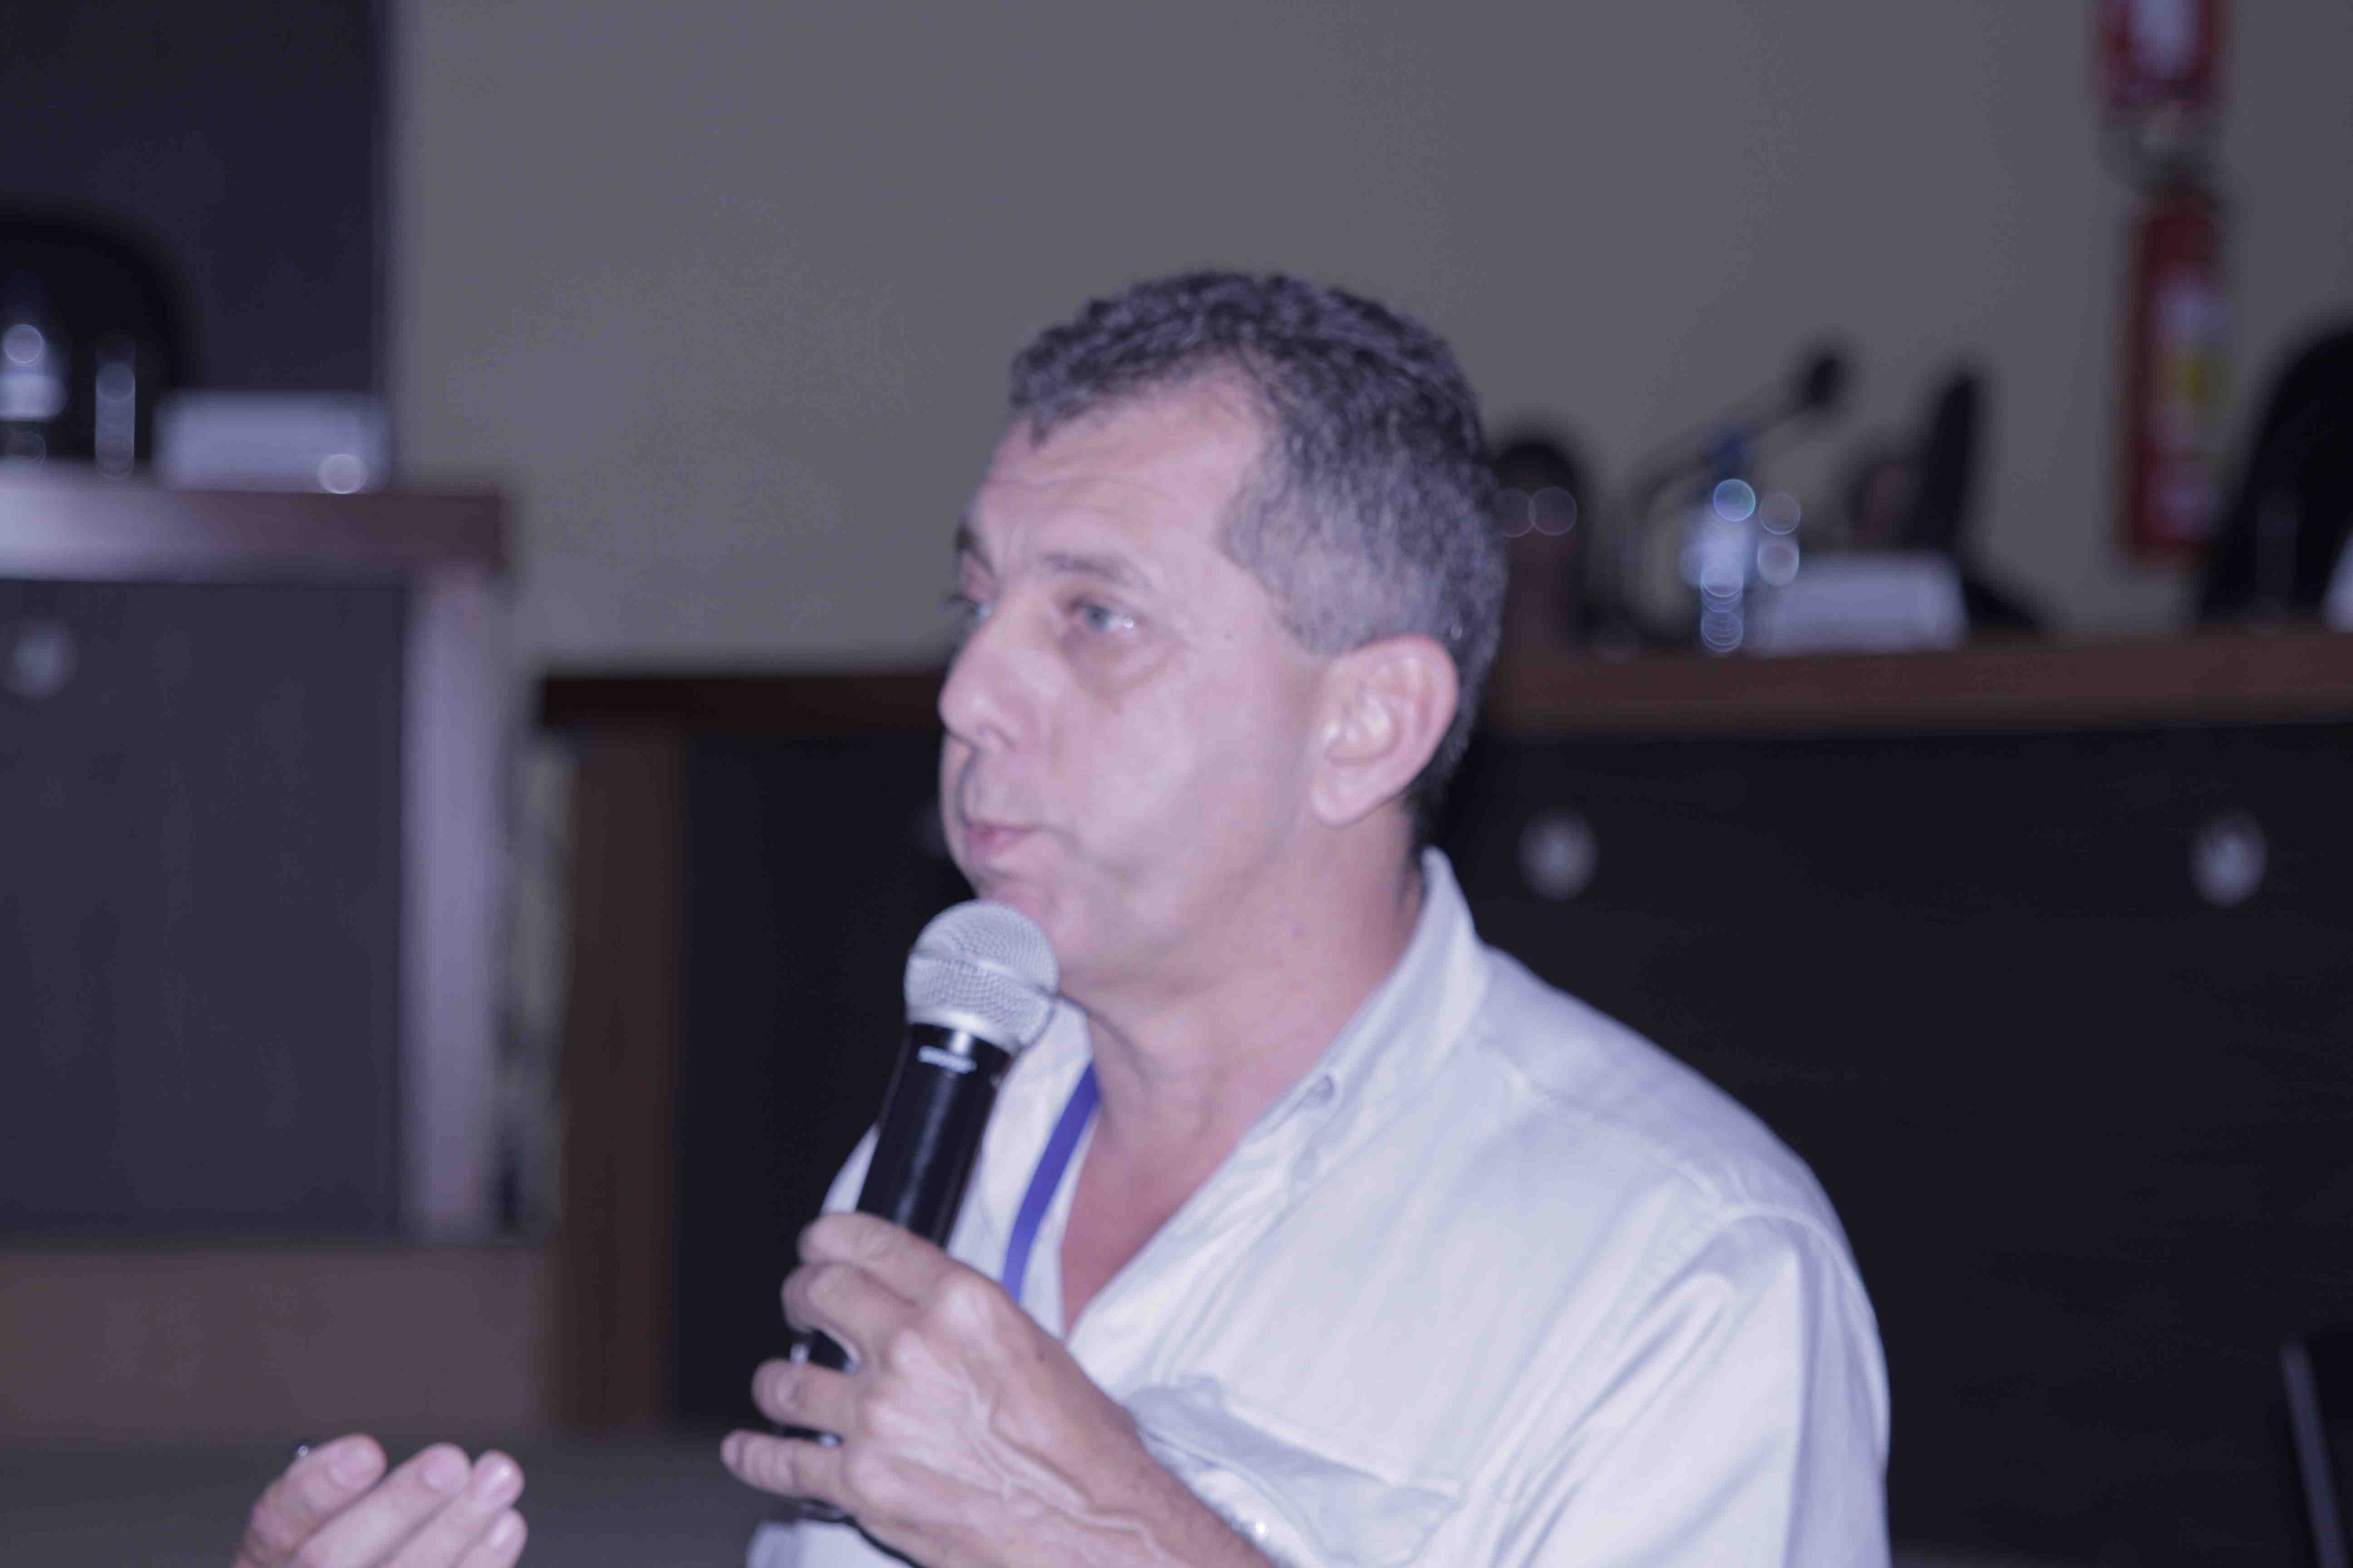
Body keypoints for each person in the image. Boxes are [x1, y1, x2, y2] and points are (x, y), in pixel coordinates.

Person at [235, 272, 1889, 1568]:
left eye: (1094, 616)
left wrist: (1108, 1539)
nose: (969, 691)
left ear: (1369, 724)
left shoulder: (1689, 1272)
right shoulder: (954, 1132)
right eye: (977, 604)